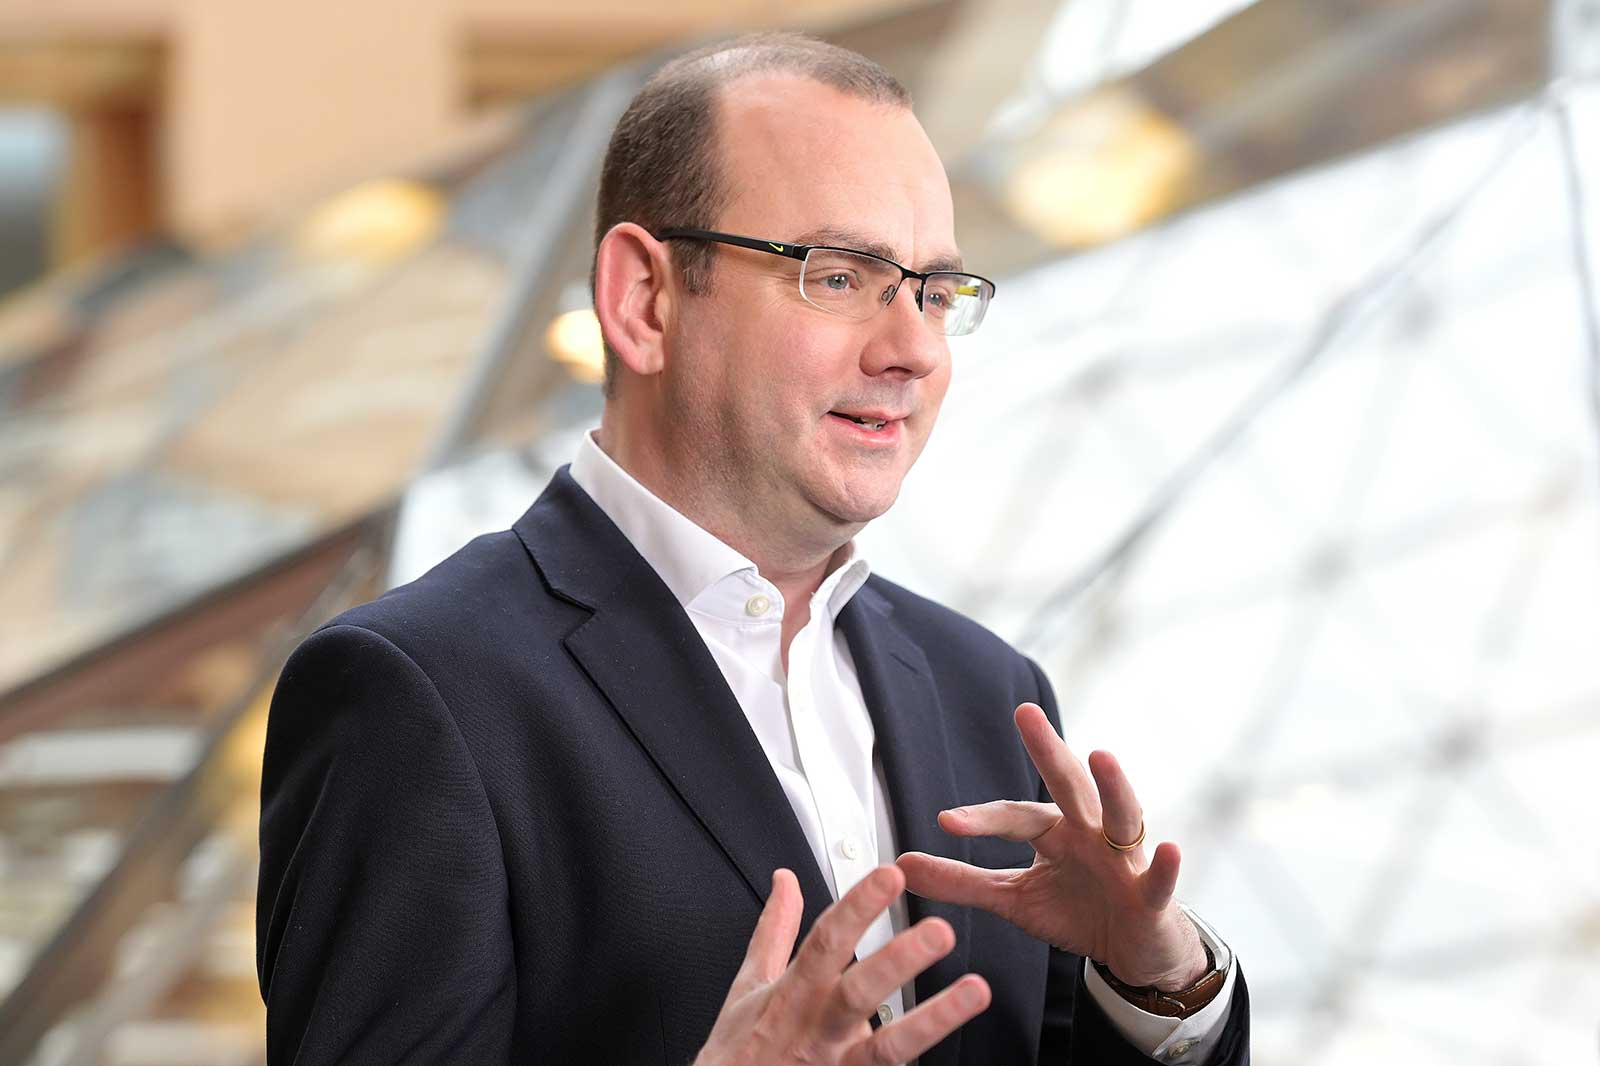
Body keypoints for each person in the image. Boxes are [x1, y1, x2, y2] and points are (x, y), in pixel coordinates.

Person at [256, 32, 1250, 1066]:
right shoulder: (418, 693)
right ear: (644, 299)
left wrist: (1155, 979)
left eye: (936, 291)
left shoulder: (985, 689)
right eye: (839, 275)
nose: (911, 347)